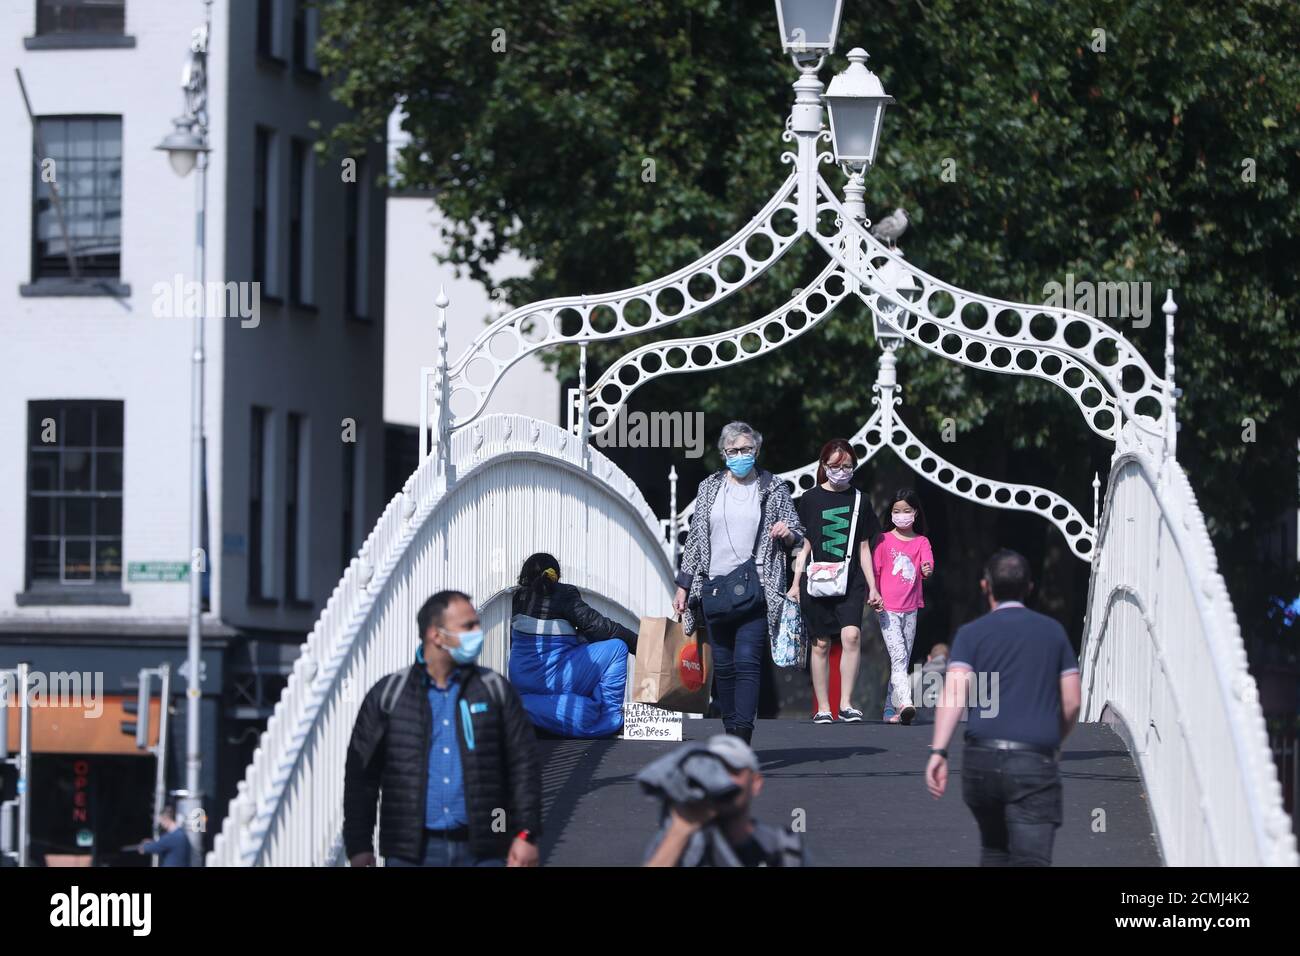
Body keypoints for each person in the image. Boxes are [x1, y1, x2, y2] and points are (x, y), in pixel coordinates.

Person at [343, 590, 542, 867]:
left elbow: (523, 764)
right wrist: (359, 846)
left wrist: (525, 833)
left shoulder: (494, 690)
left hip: (484, 849)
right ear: (436, 635)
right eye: (468, 626)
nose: (478, 632)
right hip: (411, 853)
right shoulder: (389, 695)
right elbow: (361, 775)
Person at [924, 550, 1082, 866]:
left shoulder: (970, 634)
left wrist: (939, 752)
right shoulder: (1053, 632)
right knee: (1030, 859)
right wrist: (1055, 740)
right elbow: (1072, 701)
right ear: (1030, 588)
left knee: (994, 851)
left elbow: (954, 692)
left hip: (981, 762)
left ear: (986, 587)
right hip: (1033, 760)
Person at [673, 422, 803, 745]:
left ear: (756, 451)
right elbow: (694, 542)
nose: (740, 456)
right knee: (725, 667)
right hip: (715, 590)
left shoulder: (773, 488)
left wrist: (787, 533)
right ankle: (731, 732)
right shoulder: (709, 488)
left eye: (747, 450)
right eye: (733, 451)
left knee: (747, 662)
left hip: (758, 590)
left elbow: (798, 534)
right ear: (724, 454)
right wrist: (683, 586)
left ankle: (742, 737)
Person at [789, 438, 883, 724]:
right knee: (820, 644)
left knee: (851, 636)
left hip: (851, 579)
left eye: (848, 466)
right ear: (824, 466)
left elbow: (864, 547)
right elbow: (802, 545)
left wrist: (874, 586)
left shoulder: (860, 500)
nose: (842, 471)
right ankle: (823, 707)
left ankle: (846, 703)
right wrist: (795, 582)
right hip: (816, 578)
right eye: (835, 466)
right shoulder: (810, 498)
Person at [508, 553, 637, 738]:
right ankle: (609, 718)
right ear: (556, 576)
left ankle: (535, 715)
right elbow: (599, 627)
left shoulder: (516, 597)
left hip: (521, 680)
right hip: (555, 679)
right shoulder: (564, 594)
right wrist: (639, 644)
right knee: (617, 648)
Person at [642, 734, 808, 867]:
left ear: (756, 783)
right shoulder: (680, 844)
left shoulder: (782, 848)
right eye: (713, 772)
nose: (721, 781)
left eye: (733, 772)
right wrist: (681, 830)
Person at [872, 489, 935, 725]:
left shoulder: (921, 542)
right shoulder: (883, 540)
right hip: (887, 609)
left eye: (906, 511)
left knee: (901, 661)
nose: (901, 515)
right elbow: (876, 571)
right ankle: (905, 703)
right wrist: (874, 593)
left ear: (915, 513)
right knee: (898, 657)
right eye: (897, 511)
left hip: (911, 609)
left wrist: (926, 569)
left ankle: (890, 710)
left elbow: (927, 564)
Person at [916, 641, 950, 709]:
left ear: (929, 658)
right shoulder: (957, 681)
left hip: (919, 719)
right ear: (949, 660)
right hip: (946, 719)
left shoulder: (913, 679)